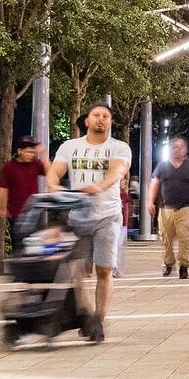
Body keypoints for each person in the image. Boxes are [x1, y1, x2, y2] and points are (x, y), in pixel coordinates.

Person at [47, 104, 132, 341]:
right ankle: (84, 314)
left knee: (104, 269)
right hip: (78, 216)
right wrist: (54, 187)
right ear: (86, 120)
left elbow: (118, 171)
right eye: (96, 115)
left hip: (107, 215)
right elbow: (54, 172)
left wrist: (98, 187)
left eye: (106, 116)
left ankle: (98, 321)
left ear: (110, 122)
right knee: (76, 269)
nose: (101, 120)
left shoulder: (119, 147)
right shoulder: (70, 147)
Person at [148, 137, 189, 278]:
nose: (177, 149)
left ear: (185, 150)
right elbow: (154, 183)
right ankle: (168, 263)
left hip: (186, 207)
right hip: (166, 207)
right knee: (165, 239)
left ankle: (183, 266)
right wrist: (150, 201)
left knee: (184, 236)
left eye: (180, 147)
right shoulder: (163, 166)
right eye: (174, 147)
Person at [0, 135, 46, 234]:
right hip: (17, 213)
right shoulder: (9, 167)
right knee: (19, 244)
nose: (30, 155)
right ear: (19, 151)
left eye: (32, 152)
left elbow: (50, 172)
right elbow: (2, 188)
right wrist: (0, 207)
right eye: (28, 152)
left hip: (35, 212)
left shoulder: (35, 163)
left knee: (37, 244)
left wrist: (43, 154)